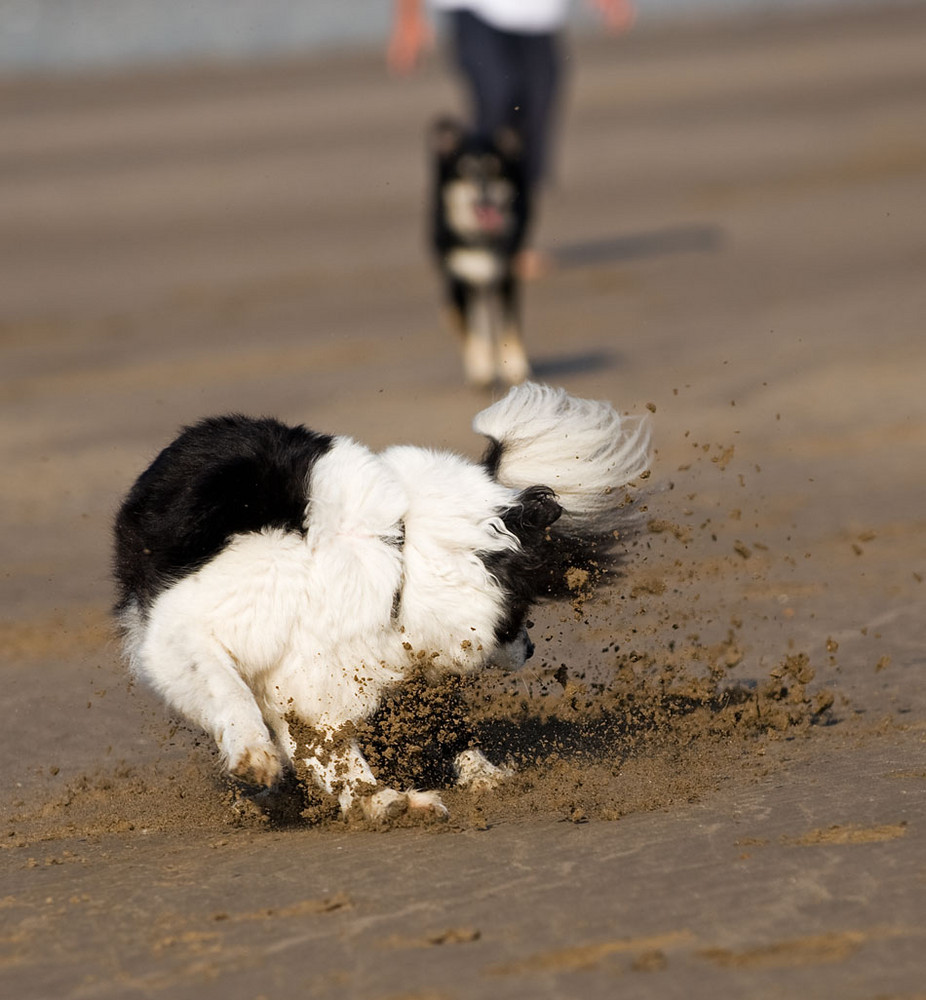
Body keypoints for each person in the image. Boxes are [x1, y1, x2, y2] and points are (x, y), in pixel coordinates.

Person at [388, 0, 636, 278]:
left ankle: (516, 240)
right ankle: (480, 231)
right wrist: (408, 19)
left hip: (540, 16)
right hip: (474, 10)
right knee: (498, 101)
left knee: (534, 120)